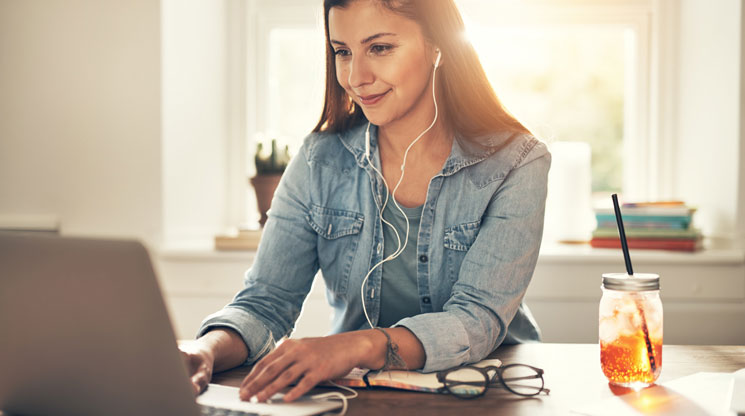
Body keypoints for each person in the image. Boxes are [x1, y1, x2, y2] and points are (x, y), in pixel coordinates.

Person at [180, 0, 551, 404]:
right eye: (342, 51)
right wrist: (206, 350)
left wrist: (356, 346)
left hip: (493, 391)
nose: (355, 77)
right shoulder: (318, 160)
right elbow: (266, 302)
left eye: (380, 48)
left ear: (437, 46)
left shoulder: (516, 163)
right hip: (359, 395)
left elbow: (476, 321)